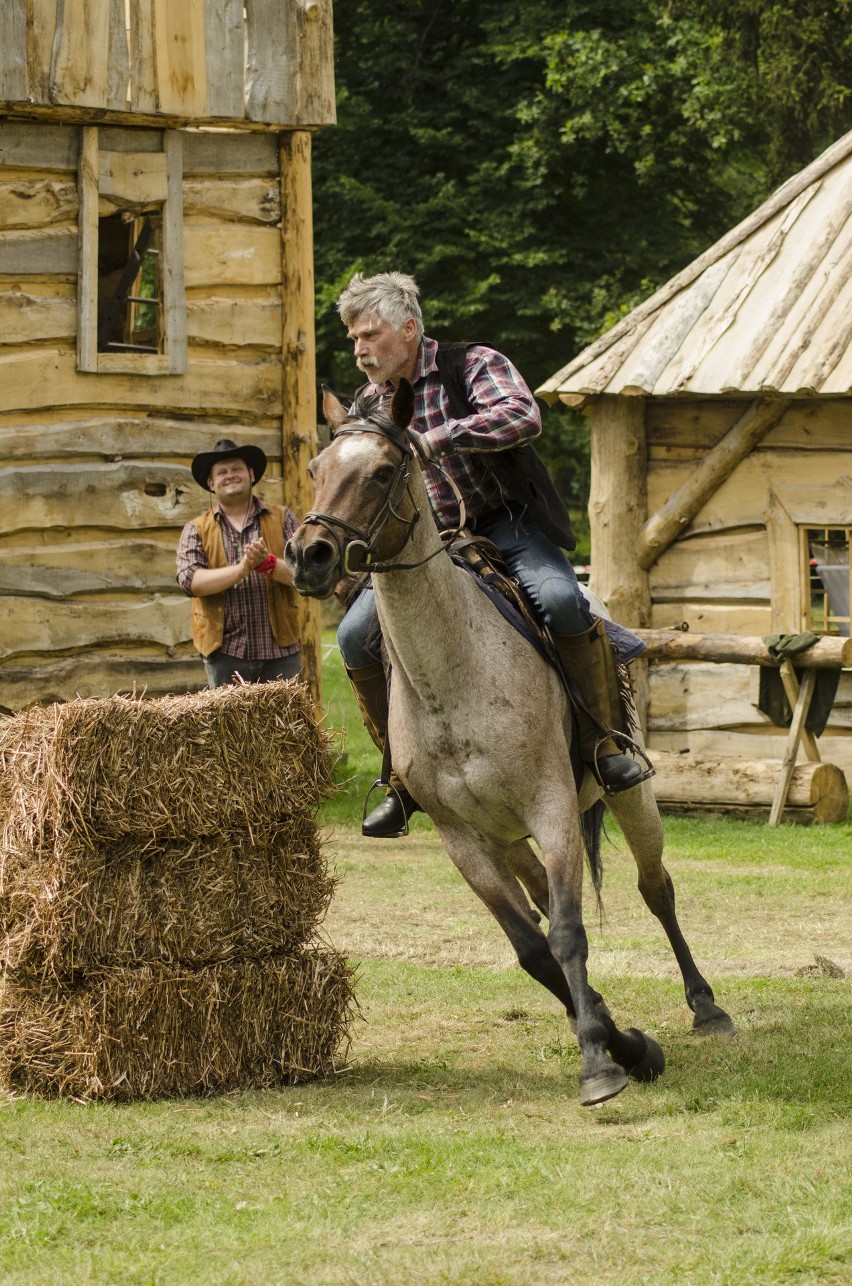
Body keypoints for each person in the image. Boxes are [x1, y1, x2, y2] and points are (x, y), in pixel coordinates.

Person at [333, 271, 647, 839]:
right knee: (354, 637)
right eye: (353, 339)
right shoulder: (367, 402)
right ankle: (401, 779)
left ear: (407, 329)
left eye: (369, 335)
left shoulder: (470, 363)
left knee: (560, 601)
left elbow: (524, 416)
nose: (359, 350)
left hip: (507, 523)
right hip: (429, 546)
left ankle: (603, 743)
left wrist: (441, 436)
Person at [177, 438, 302, 687]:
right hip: (224, 655)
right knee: (227, 728)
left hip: (280, 655)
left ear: (251, 474)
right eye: (222, 472)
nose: (230, 476)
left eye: (237, 469)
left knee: (285, 727)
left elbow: (304, 576)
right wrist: (242, 569)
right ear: (211, 484)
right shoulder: (195, 529)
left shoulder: (284, 518)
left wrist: (268, 564)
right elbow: (191, 581)